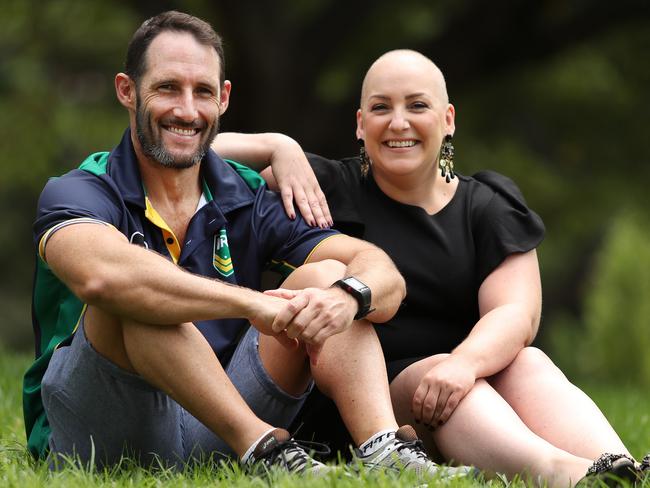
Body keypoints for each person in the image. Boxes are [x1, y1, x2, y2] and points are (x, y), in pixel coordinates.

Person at [22, 15, 474, 479]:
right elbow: (103, 277)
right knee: (135, 292)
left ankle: (385, 453)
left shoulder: (247, 195)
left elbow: (383, 275)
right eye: (167, 89)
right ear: (127, 90)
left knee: (329, 278)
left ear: (223, 99)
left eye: (202, 91)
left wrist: (347, 297)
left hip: (214, 424)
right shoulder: (80, 189)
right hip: (104, 430)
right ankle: (262, 450)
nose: (186, 109)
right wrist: (254, 306)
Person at [213, 49, 648, 486]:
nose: (398, 122)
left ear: (448, 119)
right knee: (444, 379)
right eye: (381, 108)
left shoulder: (488, 206)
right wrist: (276, 145)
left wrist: (464, 364)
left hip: (458, 378)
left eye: (417, 105)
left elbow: (516, 314)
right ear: (361, 124)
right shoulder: (322, 186)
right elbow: (188, 154)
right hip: (360, 407)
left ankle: (617, 465)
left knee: (527, 362)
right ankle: (559, 474)